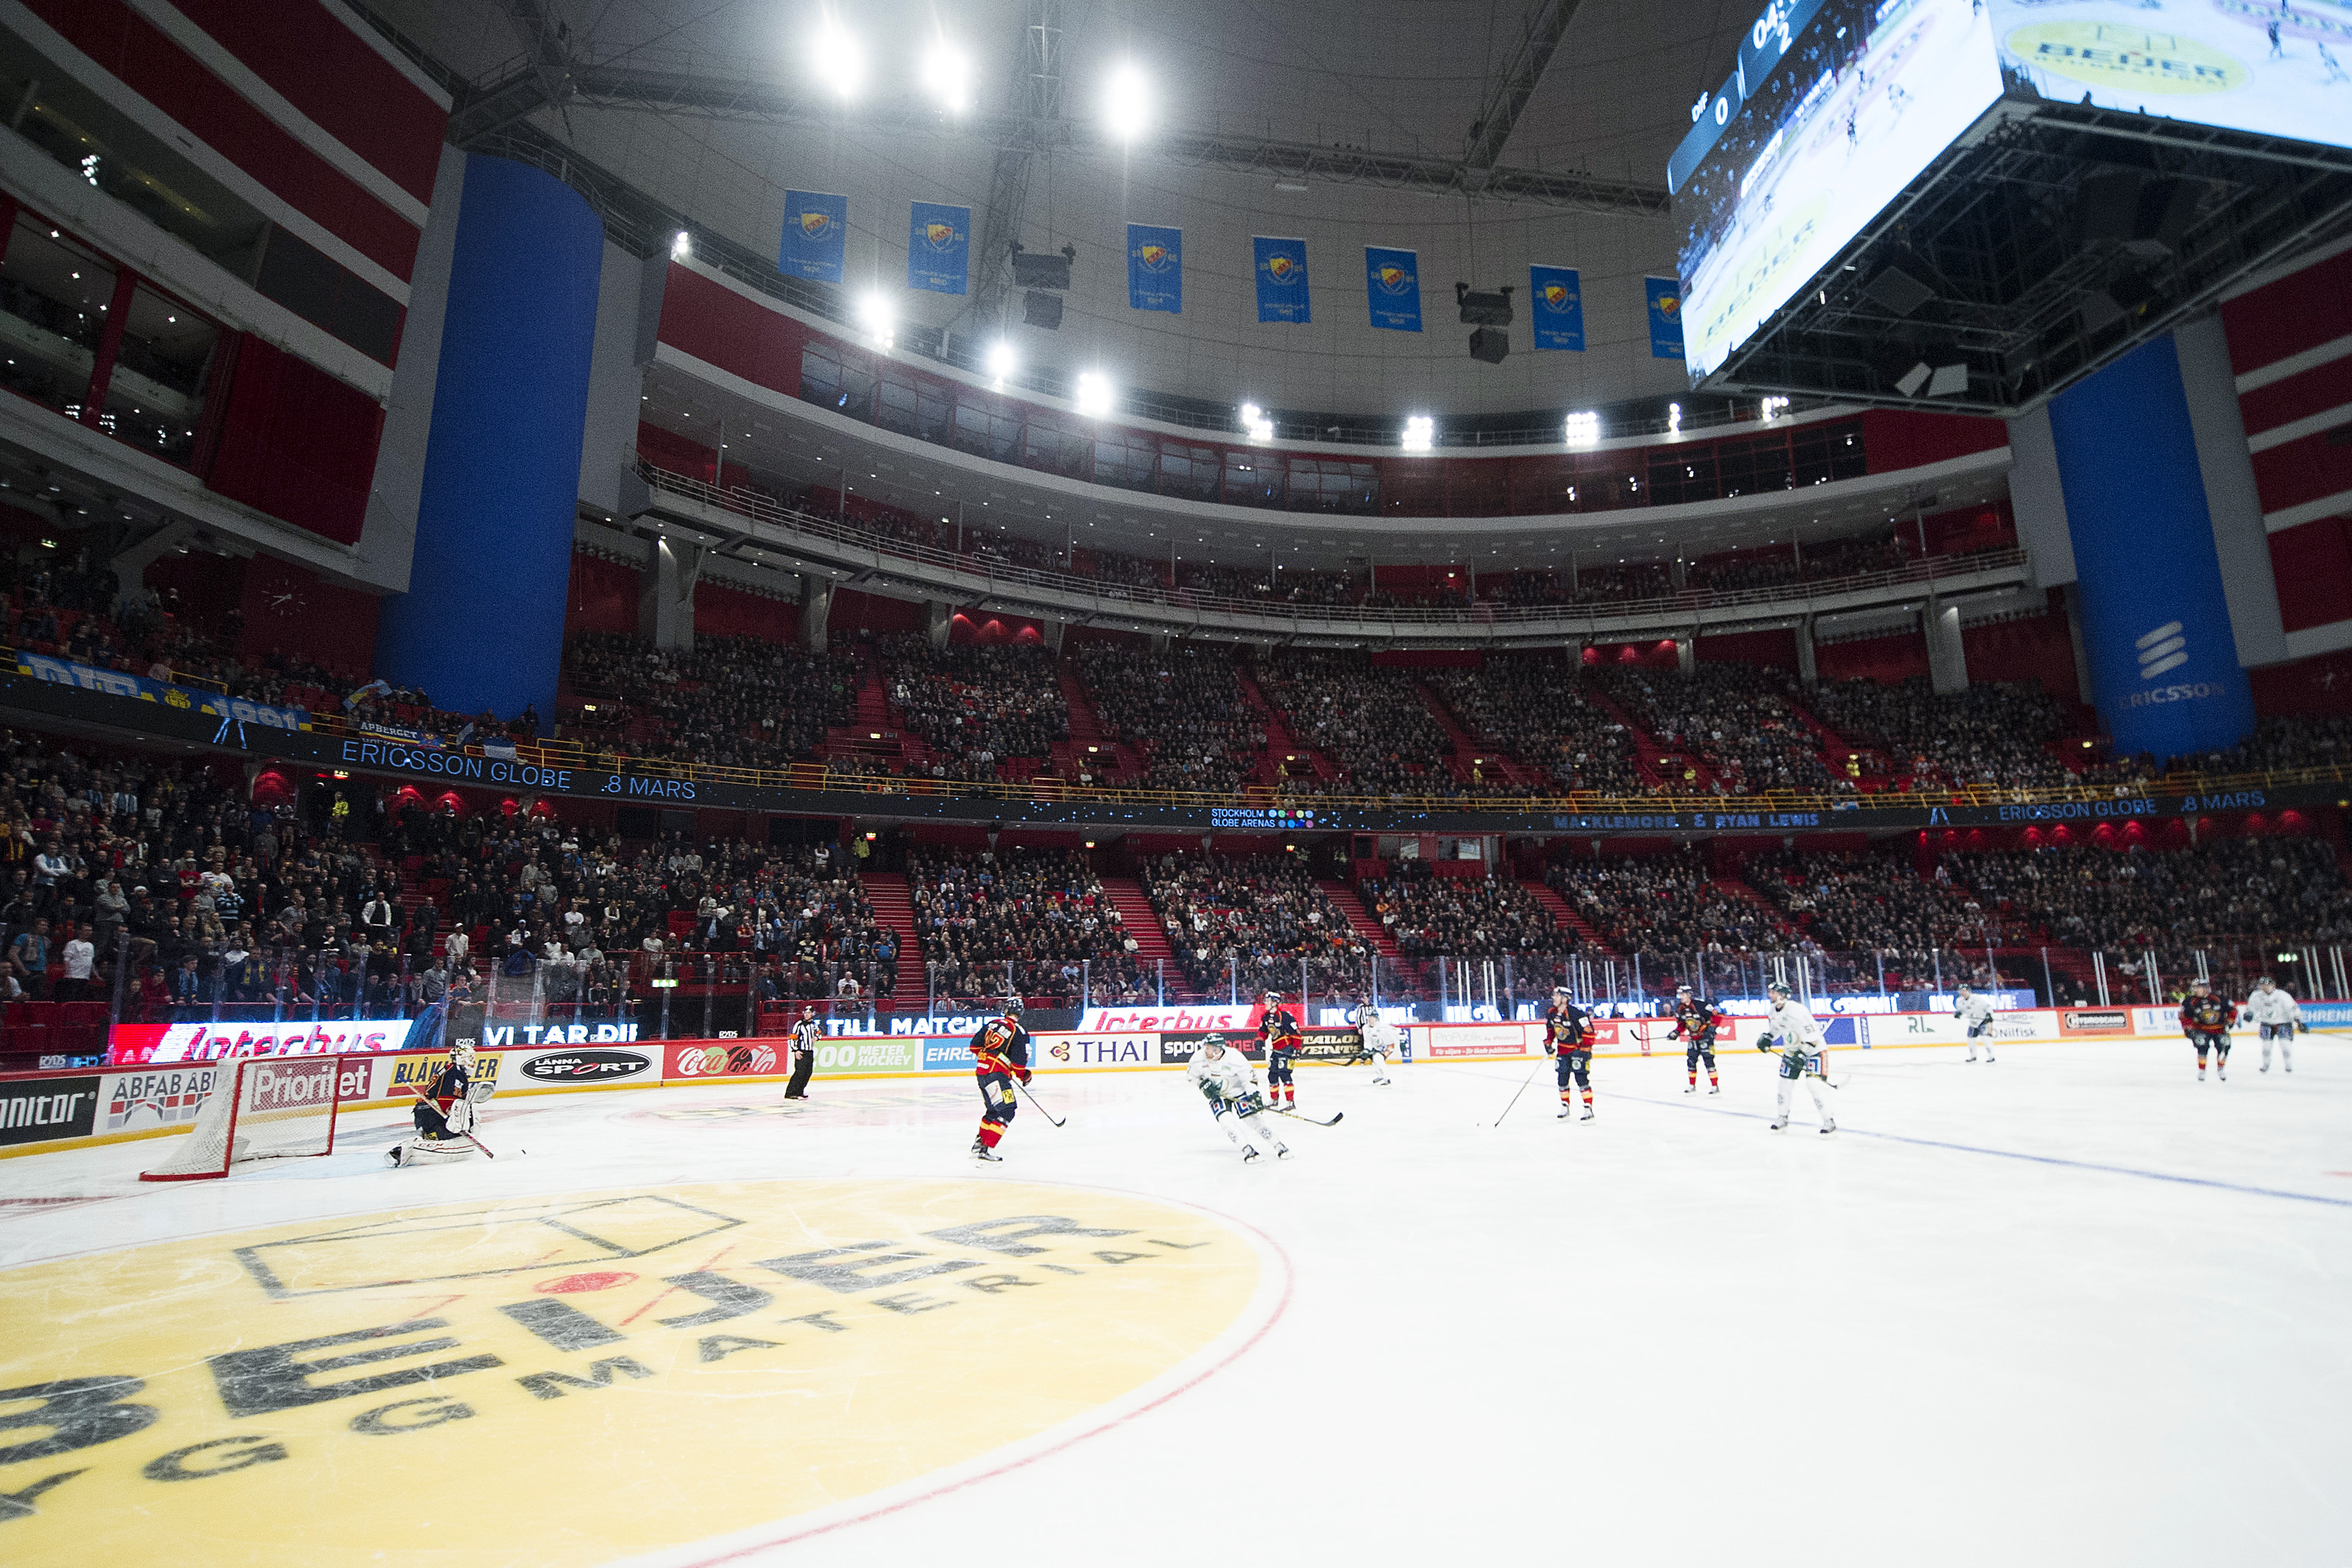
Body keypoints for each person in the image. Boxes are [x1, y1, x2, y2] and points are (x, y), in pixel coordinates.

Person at [1185, 1038, 1289, 1163]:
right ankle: (1248, 1151)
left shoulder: (1234, 1057)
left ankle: (1279, 1146)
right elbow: (1191, 1077)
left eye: (1208, 1048)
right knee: (1227, 1123)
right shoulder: (1198, 1058)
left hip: (1238, 1092)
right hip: (1218, 1096)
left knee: (1253, 1120)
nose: (1205, 1050)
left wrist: (1254, 1095)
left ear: (1217, 1049)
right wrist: (1202, 1084)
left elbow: (1249, 1079)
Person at [1759, 980, 1835, 1134]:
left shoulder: (1797, 1011)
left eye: (1774, 992)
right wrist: (1768, 1037)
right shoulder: (1773, 1011)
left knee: (1814, 1085)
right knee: (1784, 1085)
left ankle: (1829, 1121)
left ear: (1783, 995)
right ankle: (1782, 1117)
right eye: (1770, 992)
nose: (1770, 995)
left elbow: (1814, 1036)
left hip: (1814, 1051)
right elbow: (1775, 1029)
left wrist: (1802, 1054)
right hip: (1792, 1051)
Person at [389, 1038, 479, 1167]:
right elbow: (448, 1101)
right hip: (434, 1116)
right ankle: (407, 1149)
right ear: (462, 1058)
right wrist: (453, 1119)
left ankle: (415, 1148)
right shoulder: (456, 1073)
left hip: (423, 1115)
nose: (472, 1061)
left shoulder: (448, 1069)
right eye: (470, 1057)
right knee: (452, 1139)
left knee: (438, 1139)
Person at [969, 997, 1033, 1161]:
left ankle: (980, 1142)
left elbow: (974, 1046)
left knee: (993, 1110)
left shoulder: (993, 1023)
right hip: (996, 1075)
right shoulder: (1019, 1031)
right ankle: (986, 1148)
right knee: (1007, 1110)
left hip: (982, 1071)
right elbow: (1019, 1063)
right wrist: (1023, 1075)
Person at [1543, 985, 1593, 1121]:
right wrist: (1548, 1043)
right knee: (1562, 1080)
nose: (1554, 997)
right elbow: (1551, 1031)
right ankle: (1565, 1106)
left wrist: (1585, 1050)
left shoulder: (1576, 1014)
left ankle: (1588, 1109)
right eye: (1554, 995)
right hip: (1563, 1051)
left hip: (1577, 1050)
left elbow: (1589, 1031)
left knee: (1582, 1080)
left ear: (1565, 998)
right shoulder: (1552, 1013)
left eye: (1557, 995)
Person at [1669, 983, 1723, 1094]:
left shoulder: (1701, 1005)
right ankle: (1692, 1085)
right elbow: (1682, 1024)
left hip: (1706, 1038)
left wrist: (1712, 1029)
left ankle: (1714, 1086)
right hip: (1693, 1038)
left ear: (1689, 995)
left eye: (1682, 994)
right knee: (1691, 1061)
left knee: (1708, 1061)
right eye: (1679, 994)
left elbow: (1717, 1016)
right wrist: (1676, 1032)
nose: (1681, 997)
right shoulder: (1680, 1009)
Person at [2241, 975, 2300, 1074]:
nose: (2265, 988)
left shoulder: (2282, 995)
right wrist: (2249, 1014)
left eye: (2267, 985)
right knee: (2266, 1047)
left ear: (2273, 986)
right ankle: (2266, 1064)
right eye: (2262, 985)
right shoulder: (2256, 996)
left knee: (2285, 1045)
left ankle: (2288, 1065)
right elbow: (2251, 1008)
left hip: (2283, 1022)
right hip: (2267, 1023)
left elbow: (2292, 1008)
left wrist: (2298, 1020)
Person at [2179, 977, 2234, 1082]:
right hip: (2201, 1029)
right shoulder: (2190, 1001)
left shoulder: (2219, 998)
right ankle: (2202, 1071)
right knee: (2202, 1048)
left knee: (2224, 1048)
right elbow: (2185, 1016)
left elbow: (2232, 1010)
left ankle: (2221, 1068)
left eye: (2197, 988)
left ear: (2205, 988)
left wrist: (2230, 1021)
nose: (2195, 990)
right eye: (2194, 988)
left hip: (2220, 1029)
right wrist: (2188, 1028)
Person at [1257, 990, 1302, 1111]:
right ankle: (1274, 1100)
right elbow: (1263, 1030)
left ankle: (1290, 1102)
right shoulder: (1266, 1016)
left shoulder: (1285, 1016)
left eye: (1268, 1000)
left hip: (1287, 1049)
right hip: (1276, 1050)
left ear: (1275, 1002)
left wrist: (1297, 1049)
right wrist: (1260, 1040)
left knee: (1285, 1074)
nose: (1265, 1002)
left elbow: (1296, 1033)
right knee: (1272, 1075)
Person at [1351, 994, 1400, 1086]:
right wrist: (1367, 1050)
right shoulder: (1366, 1028)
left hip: (1389, 1045)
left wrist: (1402, 1040)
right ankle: (1380, 1075)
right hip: (1378, 1046)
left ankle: (1387, 1079)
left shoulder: (1383, 1026)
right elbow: (1368, 1041)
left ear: (1376, 1019)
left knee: (1378, 1059)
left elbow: (1397, 1032)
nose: (1370, 1019)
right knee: (1375, 1059)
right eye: (1369, 1018)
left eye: (1372, 1018)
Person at [1955, 982, 1997, 1064]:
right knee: (1971, 1040)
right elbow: (1962, 1010)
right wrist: (1958, 1014)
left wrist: (1989, 1015)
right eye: (1961, 991)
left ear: (1968, 991)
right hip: (1973, 1022)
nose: (1962, 992)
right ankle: (1973, 1056)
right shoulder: (1959, 1001)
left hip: (1983, 1021)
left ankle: (1991, 1056)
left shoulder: (1976, 998)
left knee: (1985, 1039)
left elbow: (1987, 1007)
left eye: (1964, 990)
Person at [786, 1002, 821, 1099]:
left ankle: (800, 1091)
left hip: (810, 1052)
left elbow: (819, 1033)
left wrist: (816, 1038)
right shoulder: (799, 1024)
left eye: (809, 1013)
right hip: (801, 1051)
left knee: (807, 1073)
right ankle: (790, 1093)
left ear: (813, 1014)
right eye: (805, 1013)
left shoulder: (814, 1024)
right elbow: (792, 1038)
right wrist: (796, 1050)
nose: (807, 1014)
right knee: (799, 1073)